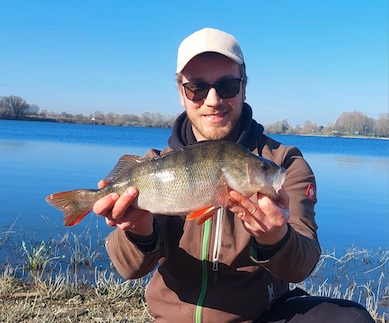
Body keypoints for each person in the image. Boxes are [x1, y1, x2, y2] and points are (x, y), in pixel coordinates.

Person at [93, 28, 374, 322]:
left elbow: (303, 263)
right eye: (197, 89)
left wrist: (276, 239)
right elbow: (128, 269)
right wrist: (139, 233)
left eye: (227, 85)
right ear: (181, 93)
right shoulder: (155, 166)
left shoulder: (284, 164)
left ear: (244, 88)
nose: (213, 100)